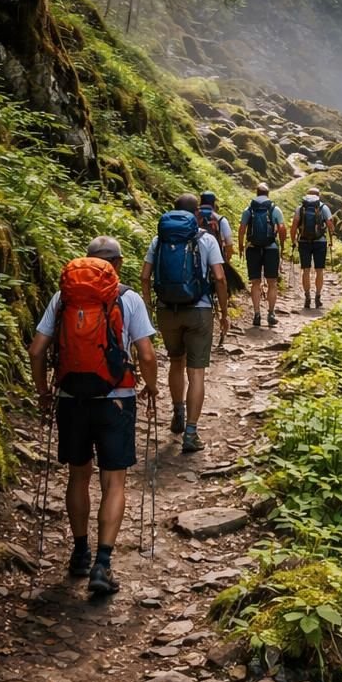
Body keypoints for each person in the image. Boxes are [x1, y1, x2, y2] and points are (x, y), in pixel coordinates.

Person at [28, 236, 158, 597]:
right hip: (116, 398)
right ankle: (103, 563)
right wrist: (152, 387)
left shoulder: (63, 298)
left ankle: (79, 552)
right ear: (116, 263)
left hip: (71, 398)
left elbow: (37, 349)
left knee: (77, 476)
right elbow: (146, 353)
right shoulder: (127, 297)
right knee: (114, 481)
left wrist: (43, 392)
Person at [140, 193, 228, 454]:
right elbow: (220, 278)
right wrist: (223, 312)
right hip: (199, 310)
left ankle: (177, 411)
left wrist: (149, 306)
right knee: (196, 372)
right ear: (198, 215)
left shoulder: (160, 240)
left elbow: (145, 276)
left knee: (176, 361)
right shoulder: (207, 239)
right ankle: (191, 432)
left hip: (168, 310)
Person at [238, 182, 286, 328]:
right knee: (272, 282)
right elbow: (282, 229)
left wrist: (240, 245)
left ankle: (257, 314)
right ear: (268, 194)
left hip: (252, 248)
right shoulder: (274, 209)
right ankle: (271, 313)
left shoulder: (249, 210)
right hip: (271, 248)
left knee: (255, 283)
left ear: (256, 193)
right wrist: (282, 245)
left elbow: (242, 229)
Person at [290, 186, 334, 310]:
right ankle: (318, 297)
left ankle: (307, 297)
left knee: (306, 270)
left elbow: (294, 227)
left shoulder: (300, 208)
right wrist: (331, 240)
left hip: (303, 242)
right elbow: (330, 225)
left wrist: (293, 241)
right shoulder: (323, 207)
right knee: (319, 270)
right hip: (320, 242)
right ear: (318, 196)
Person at [198, 190, 234, 263]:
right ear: (214, 204)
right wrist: (227, 259)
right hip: (215, 259)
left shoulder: (193, 217)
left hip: (195, 258)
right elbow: (229, 244)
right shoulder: (221, 220)